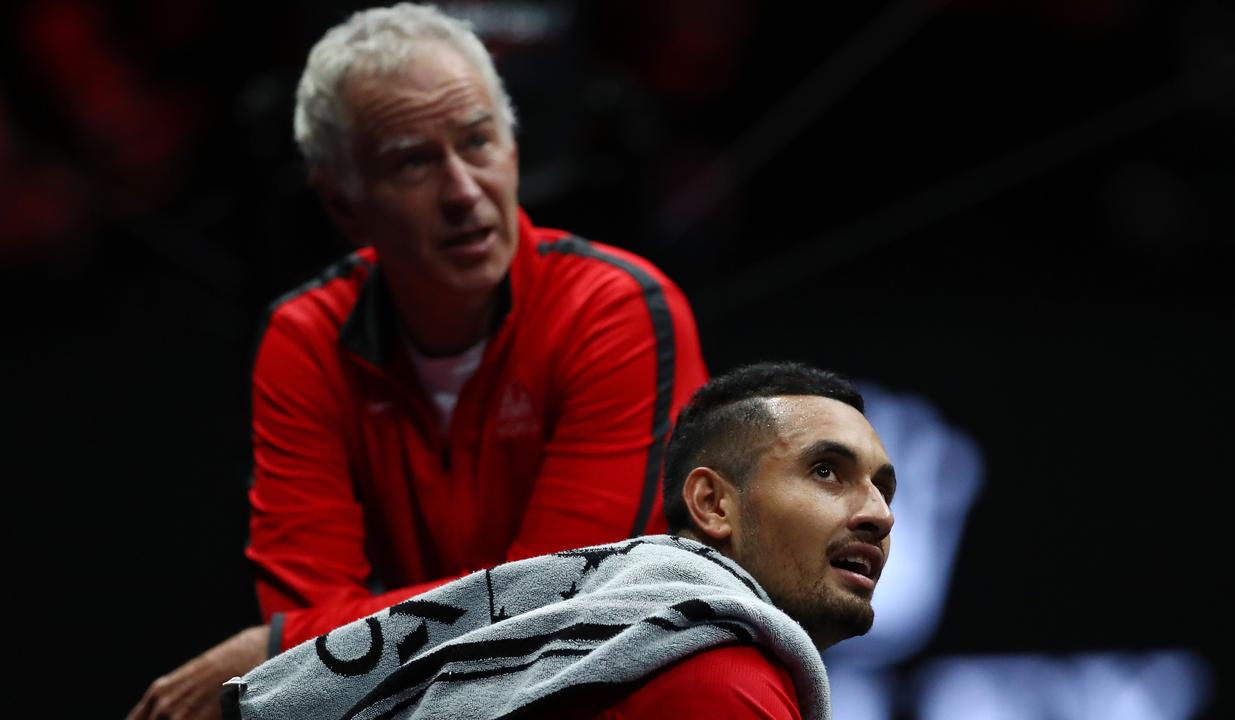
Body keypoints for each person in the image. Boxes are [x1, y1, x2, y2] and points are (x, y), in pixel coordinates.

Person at [128, 4, 705, 718]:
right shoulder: (304, 336)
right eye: (414, 161)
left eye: (478, 143)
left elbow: (559, 613)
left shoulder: (618, 310)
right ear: (345, 204)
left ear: (515, 151)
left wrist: (275, 642)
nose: (464, 191)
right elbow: (313, 662)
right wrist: (291, 642)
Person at [223, 361, 896, 719]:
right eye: (827, 471)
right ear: (712, 503)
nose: (877, 514)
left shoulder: (620, 651)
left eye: (884, 487)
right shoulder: (718, 679)